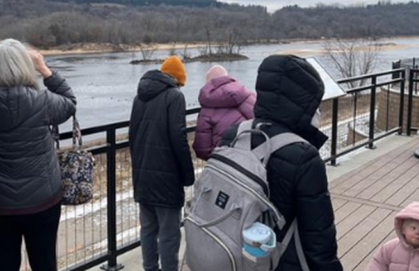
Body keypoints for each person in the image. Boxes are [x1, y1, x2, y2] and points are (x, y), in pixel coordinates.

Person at [219, 55, 342, 271]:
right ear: (303, 100)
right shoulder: (304, 156)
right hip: (281, 260)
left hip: (235, 254)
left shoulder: (234, 134)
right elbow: (318, 238)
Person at [0, 39, 76, 271]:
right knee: (44, 262)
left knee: (4, 265)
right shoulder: (42, 101)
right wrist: (45, 69)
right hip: (43, 200)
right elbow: (70, 103)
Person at [129, 55, 195, 271]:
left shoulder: (139, 97)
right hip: (167, 178)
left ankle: (150, 269)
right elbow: (178, 137)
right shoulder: (174, 96)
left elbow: (133, 136)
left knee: (147, 229)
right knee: (169, 234)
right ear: (177, 79)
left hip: (143, 177)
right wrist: (188, 174)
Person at [193, 64, 256, 160]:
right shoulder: (251, 97)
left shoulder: (206, 111)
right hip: (255, 158)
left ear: (209, 84)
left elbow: (202, 149)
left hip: (225, 162)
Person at [367, 202, 419, 271]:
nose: (417, 232)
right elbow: (377, 264)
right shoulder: (390, 248)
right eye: (413, 228)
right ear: (403, 230)